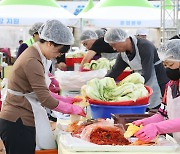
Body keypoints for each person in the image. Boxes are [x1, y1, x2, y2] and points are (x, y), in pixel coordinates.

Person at [0, 20, 85, 154]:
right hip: (17, 120)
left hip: (23, 117)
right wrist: (72, 109)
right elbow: (45, 99)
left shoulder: (37, 55)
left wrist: (67, 100)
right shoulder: (32, 60)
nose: (58, 56)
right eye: (58, 52)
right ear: (49, 43)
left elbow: (41, 91)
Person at [104, 28, 169, 110]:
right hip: (141, 81)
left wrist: (130, 89)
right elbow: (115, 71)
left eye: (114, 45)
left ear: (123, 40)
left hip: (157, 81)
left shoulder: (145, 46)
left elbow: (147, 72)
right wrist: (101, 83)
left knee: (156, 109)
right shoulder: (123, 54)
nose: (114, 49)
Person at [132, 39, 180, 143]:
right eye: (165, 65)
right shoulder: (171, 85)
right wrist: (146, 122)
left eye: (171, 65)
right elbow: (163, 114)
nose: (167, 69)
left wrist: (157, 127)